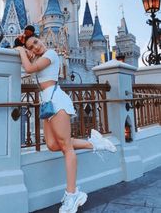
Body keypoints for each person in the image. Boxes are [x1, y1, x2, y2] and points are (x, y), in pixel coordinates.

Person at [14, 25, 117, 213]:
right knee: (53, 145)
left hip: (57, 102)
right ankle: (95, 143)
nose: (35, 47)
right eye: (31, 47)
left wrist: (21, 49)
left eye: (36, 42)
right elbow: (26, 65)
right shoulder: (38, 57)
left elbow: (28, 69)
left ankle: (72, 194)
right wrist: (22, 49)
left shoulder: (52, 54)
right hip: (48, 104)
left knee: (66, 148)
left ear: (42, 40)